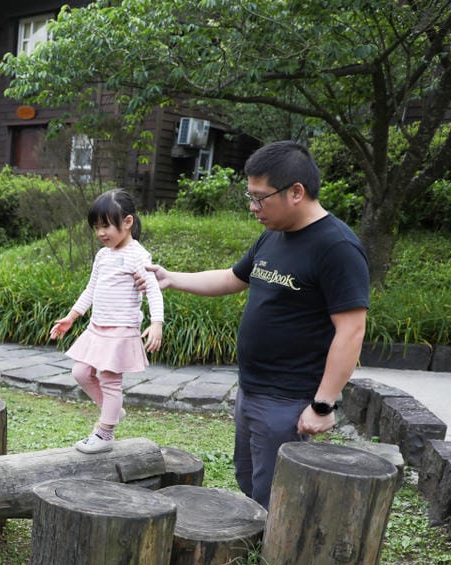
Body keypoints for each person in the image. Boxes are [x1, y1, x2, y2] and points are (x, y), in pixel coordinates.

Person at [143, 140, 369, 507]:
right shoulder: (274, 234)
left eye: (260, 197)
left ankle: (271, 562)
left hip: (288, 397)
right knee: (248, 478)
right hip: (252, 388)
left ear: (296, 192)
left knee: (274, 494)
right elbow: (234, 278)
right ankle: (253, 551)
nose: (252, 207)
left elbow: (352, 330)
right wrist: (172, 278)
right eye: (249, 196)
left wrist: (323, 405)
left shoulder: (337, 247)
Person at [50, 188, 164, 454]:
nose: (101, 233)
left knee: (111, 381)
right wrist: (71, 316)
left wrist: (156, 322)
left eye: (106, 226)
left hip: (121, 330)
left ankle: (105, 433)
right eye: (96, 227)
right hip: (97, 328)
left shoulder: (137, 255)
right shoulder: (102, 255)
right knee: (80, 372)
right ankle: (112, 411)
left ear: (127, 222)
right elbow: (90, 289)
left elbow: (153, 289)